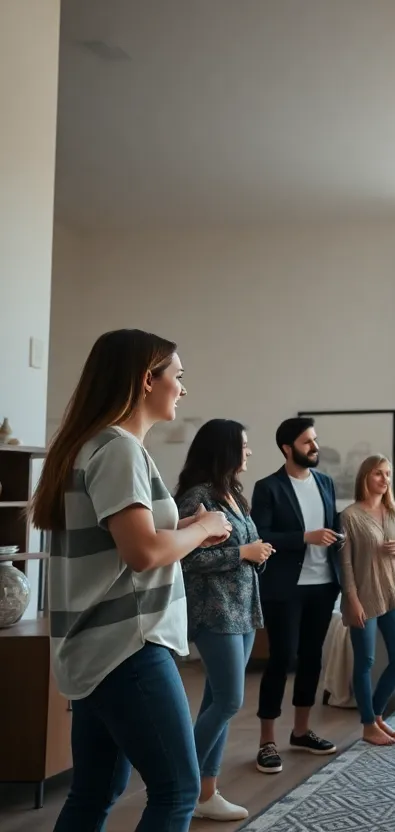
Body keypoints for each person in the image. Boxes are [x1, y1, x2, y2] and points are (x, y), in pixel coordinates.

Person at [33, 329, 232, 832]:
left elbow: (126, 541)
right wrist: (206, 526)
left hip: (95, 649)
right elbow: (142, 553)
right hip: (129, 646)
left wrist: (180, 531)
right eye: (177, 377)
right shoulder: (119, 450)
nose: (183, 390)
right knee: (178, 791)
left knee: (95, 793)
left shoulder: (91, 446)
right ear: (148, 381)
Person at [175, 419, 273, 821]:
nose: (249, 452)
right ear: (224, 450)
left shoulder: (233, 493)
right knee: (231, 699)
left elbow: (243, 547)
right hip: (213, 611)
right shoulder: (197, 497)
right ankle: (179, 783)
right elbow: (184, 556)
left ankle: (205, 794)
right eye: (244, 446)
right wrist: (242, 554)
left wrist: (257, 554)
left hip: (243, 608)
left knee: (218, 698)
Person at [250, 417, 342, 773]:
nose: (315, 447)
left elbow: (329, 530)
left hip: (323, 585)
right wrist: (305, 537)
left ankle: (301, 731)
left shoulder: (326, 482)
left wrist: (336, 538)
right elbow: (262, 535)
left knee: (311, 658)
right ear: (288, 449)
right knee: (281, 658)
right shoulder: (268, 487)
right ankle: (266, 741)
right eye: (307, 442)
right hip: (284, 588)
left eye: (315, 440)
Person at [340, 455, 395, 746]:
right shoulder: (349, 516)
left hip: (392, 594)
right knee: (365, 661)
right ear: (365, 477)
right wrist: (352, 601)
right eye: (378, 474)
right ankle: (368, 724)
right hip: (364, 597)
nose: (385, 480)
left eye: (388, 474)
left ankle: (377, 713)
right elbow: (345, 565)